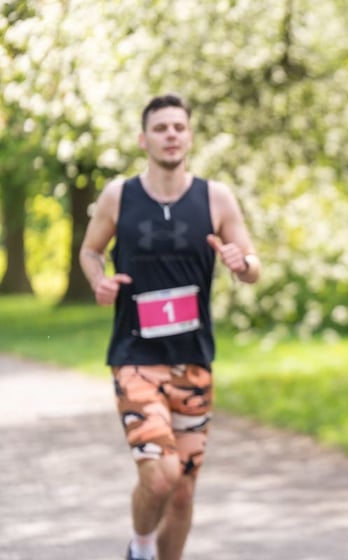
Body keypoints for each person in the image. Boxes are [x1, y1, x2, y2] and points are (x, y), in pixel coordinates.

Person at [79, 93, 260, 560]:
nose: (171, 134)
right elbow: (90, 250)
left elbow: (252, 264)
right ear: (144, 139)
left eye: (179, 127)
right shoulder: (120, 196)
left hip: (194, 360)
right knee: (160, 475)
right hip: (135, 359)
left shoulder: (215, 197)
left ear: (190, 136)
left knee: (182, 490)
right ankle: (140, 547)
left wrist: (242, 263)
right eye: (161, 128)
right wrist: (99, 281)